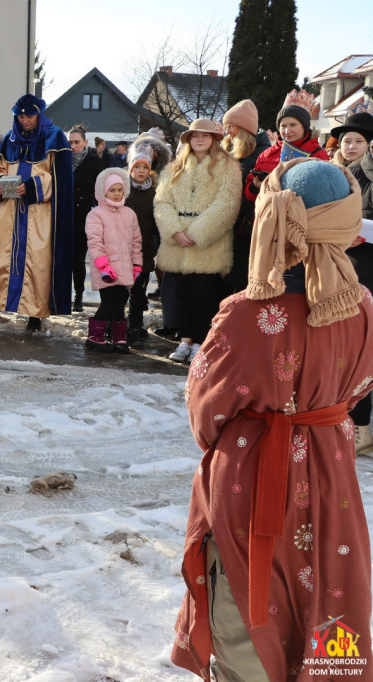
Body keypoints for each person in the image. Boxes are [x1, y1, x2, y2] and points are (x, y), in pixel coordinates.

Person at [171, 158, 373, 681]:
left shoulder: (245, 312)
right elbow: (360, 390)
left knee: (246, 614)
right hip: (332, 482)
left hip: (251, 481)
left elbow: (205, 412)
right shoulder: (365, 308)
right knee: (327, 592)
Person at [0, 94, 74, 330]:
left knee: (36, 261)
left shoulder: (54, 138)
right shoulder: (9, 138)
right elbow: (0, 167)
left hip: (39, 213)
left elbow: (60, 180)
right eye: (20, 116)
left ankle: (34, 313)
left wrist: (33, 185)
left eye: (29, 115)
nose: (24, 120)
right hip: (10, 209)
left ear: (39, 114)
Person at [154, 118, 241, 364]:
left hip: (208, 243)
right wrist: (174, 231)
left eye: (205, 135)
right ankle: (184, 341)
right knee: (180, 294)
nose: (199, 139)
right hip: (177, 242)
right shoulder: (174, 168)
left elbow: (227, 204)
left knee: (203, 294)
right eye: (194, 135)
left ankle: (201, 343)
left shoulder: (227, 166)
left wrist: (197, 232)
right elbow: (162, 202)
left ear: (214, 139)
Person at [334, 107, 373, 454]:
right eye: (346, 140)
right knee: (345, 348)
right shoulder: (338, 173)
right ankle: (350, 420)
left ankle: (362, 425)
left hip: (367, 266)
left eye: (358, 140)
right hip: (341, 264)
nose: (350, 145)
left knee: (362, 348)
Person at [84, 168, 141, 353]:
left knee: (120, 304)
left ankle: (118, 337)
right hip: (106, 269)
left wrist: (137, 264)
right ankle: (95, 337)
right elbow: (95, 243)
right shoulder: (96, 214)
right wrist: (103, 266)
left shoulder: (130, 214)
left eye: (120, 189)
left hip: (125, 268)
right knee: (107, 303)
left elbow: (136, 242)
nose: (117, 194)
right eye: (112, 190)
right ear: (103, 192)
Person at [123, 131, 171, 342]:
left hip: (144, 249)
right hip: (123, 249)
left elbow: (157, 220)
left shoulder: (154, 191)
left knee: (139, 291)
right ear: (130, 168)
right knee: (122, 289)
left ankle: (135, 324)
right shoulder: (122, 189)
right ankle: (118, 323)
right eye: (137, 167)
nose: (141, 171)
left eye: (145, 167)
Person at [220, 99, 271, 295]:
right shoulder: (228, 152)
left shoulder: (262, 154)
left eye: (231, 127)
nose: (228, 132)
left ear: (244, 129)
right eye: (226, 127)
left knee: (240, 281)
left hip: (245, 227)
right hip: (225, 226)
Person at [243, 90, 328, 205]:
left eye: (293, 125)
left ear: (304, 127)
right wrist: (255, 186)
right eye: (283, 126)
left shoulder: (318, 155)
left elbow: (325, 194)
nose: (287, 131)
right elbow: (248, 195)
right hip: (266, 216)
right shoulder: (266, 154)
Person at [68, 125, 104, 312]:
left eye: (77, 142)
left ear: (85, 142)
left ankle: (79, 295)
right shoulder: (61, 158)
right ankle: (62, 295)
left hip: (83, 214)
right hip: (64, 214)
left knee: (78, 259)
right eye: (70, 142)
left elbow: (99, 188)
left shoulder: (93, 160)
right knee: (62, 258)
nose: (73, 146)